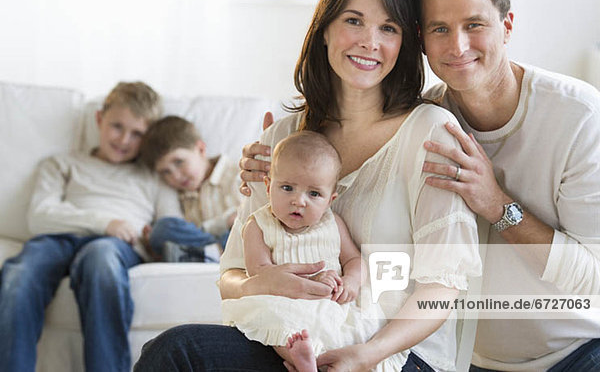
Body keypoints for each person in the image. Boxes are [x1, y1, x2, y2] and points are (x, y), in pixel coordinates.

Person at [135, 0, 481, 371]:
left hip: (393, 352)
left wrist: (364, 355)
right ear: (325, 30)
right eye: (354, 21)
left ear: (405, 43)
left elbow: (442, 287)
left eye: (388, 28)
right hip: (295, 339)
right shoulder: (281, 139)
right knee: (173, 351)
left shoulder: (430, 132)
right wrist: (261, 282)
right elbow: (230, 277)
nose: (370, 41)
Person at [409, 0, 600, 371]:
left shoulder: (580, 115)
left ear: (507, 26)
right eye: (440, 28)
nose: (457, 46)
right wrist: (274, 169)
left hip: (579, 353)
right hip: (470, 360)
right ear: (421, 39)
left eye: (474, 25)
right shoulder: (421, 122)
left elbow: (595, 276)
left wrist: (495, 203)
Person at [0, 82, 182, 372]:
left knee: (101, 260)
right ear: (99, 119)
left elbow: (172, 226)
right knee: (19, 273)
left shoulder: (154, 176)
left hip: (114, 247)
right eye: (117, 126)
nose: (124, 139)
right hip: (58, 238)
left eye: (137, 133)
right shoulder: (63, 164)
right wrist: (104, 223)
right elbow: (40, 215)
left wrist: (154, 243)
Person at [223, 130, 405, 371]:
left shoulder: (332, 224)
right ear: (268, 186)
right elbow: (259, 272)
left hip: (330, 303)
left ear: (330, 199)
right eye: (287, 188)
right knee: (271, 316)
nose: (299, 201)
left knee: (360, 326)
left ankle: (325, 359)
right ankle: (300, 357)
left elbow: (353, 259)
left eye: (314, 193)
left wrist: (350, 282)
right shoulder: (258, 225)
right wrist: (305, 280)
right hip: (283, 301)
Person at [139, 116, 241, 262]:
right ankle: (213, 253)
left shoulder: (238, 174)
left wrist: (222, 225)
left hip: (236, 238)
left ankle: (213, 252)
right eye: (165, 172)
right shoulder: (179, 195)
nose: (176, 176)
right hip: (206, 243)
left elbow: (242, 217)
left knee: (243, 227)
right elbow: (185, 232)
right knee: (162, 229)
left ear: (200, 149)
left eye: (179, 162)